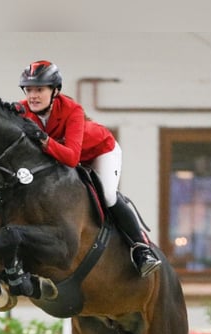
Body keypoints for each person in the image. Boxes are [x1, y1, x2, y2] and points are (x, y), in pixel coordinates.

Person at [18, 60, 161, 278]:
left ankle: (141, 248)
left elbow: (72, 157)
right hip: (62, 156)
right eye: (29, 90)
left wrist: (45, 141)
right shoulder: (22, 110)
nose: (33, 96)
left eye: (39, 89)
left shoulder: (72, 110)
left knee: (108, 195)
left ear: (54, 91)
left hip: (100, 152)